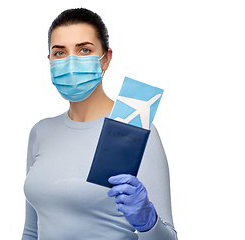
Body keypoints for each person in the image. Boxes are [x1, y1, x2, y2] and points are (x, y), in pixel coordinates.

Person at [22, 8, 178, 240]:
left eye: (84, 50)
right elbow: (31, 231)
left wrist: (149, 223)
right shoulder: (41, 131)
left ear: (106, 58)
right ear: (50, 61)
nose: (71, 62)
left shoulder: (134, 129)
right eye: (60, 53)